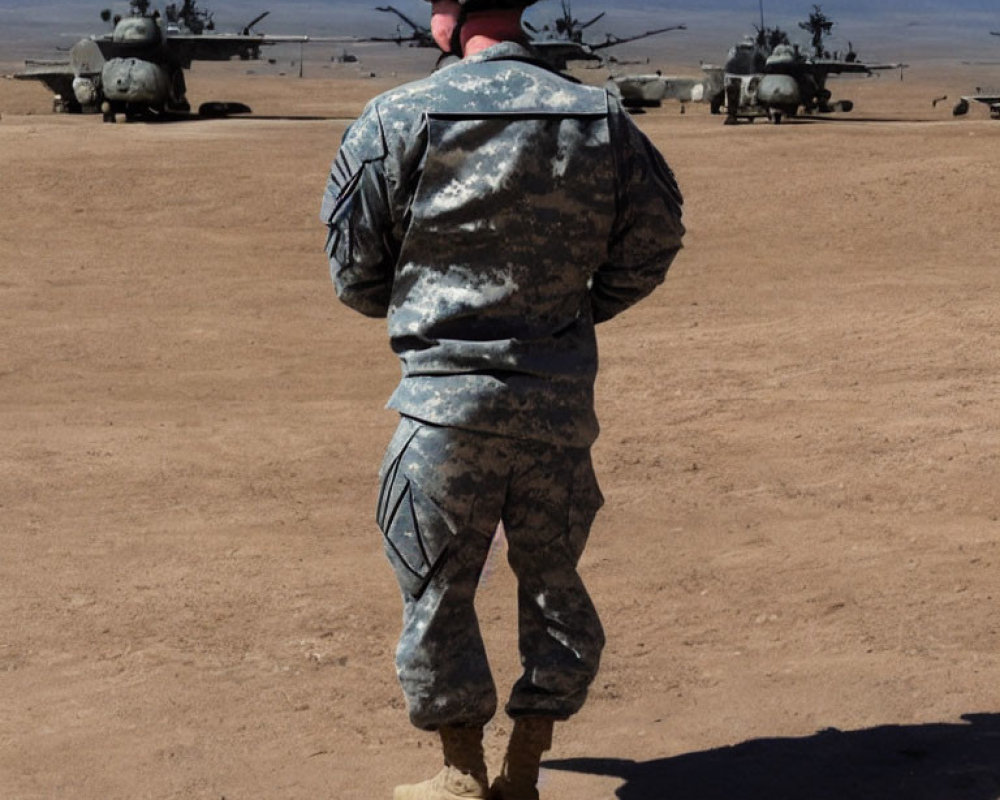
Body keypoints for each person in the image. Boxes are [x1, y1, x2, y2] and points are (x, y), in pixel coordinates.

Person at [320, 1, 684, 797]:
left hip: (444, 410)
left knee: (437, 585)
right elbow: (656, 237)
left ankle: (459, 775)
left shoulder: (397, 116)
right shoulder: (599, 116)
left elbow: (353, 271)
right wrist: (571, 315)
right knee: (553, 579)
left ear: (449, 18)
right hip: (557, 409)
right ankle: (525, 764)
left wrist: (432, 314)